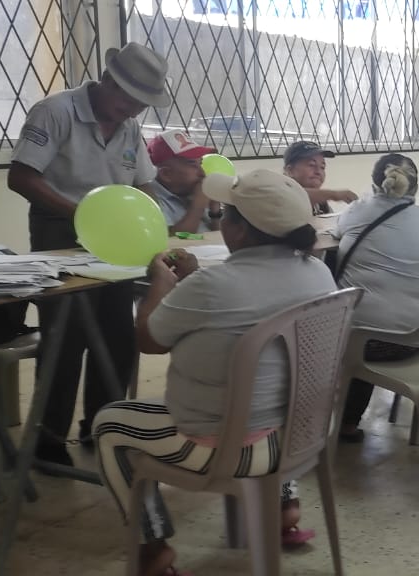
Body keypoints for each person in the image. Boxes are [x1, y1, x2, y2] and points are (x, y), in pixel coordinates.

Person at [92, 168, 333, 576]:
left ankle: (153, 551)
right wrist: (193, 281)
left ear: (238, 230)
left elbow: (150, 339)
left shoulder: (213, 285)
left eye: (225, 215)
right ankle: (283, 508)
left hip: (225, 448)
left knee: (108, 425)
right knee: (274, 393)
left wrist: (161, 284)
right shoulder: (319, 273)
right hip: (299, 436)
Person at [7, 42, 167, 467]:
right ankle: (48, 440)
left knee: (117, 336)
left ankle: (103, 427)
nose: (133, 110)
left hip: (116, 237)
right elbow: (20, 176)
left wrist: (151, 225)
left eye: (141, 104)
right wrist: (83, 215)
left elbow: (143, 184)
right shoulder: (55, 111)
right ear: (108, 80)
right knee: (65, 337)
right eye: (128, 99)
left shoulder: (129, 127)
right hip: (59, 228)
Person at [334, 153, 419, 442]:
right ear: (415, 187)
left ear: (375, 184)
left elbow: (336, 233)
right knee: (385, 310)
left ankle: (344, 423)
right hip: (418, 341)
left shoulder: (356, 211)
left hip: (362, 344)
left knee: (359, 323)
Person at [144, 129, 221, 234]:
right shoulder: (151, 200)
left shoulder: (189, 190)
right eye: (192, 164)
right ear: (166, 174)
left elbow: (221, 238)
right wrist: (198, 205)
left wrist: (215, 213)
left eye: (200, 163)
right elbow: (173, 239)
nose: (202, 173)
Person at [282, 140, 358, 215]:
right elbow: (295, 194)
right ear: (290, 170)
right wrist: (334, 195)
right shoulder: (280, 193)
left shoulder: (321, 203)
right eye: (311, 165)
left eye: (322, 167)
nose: (318, 171)